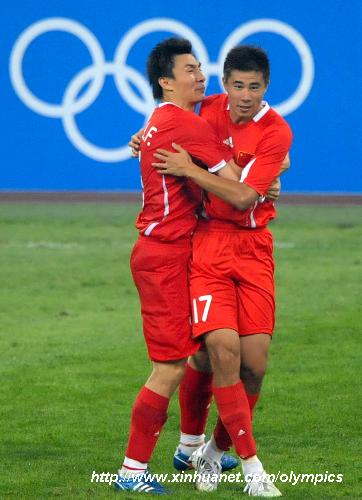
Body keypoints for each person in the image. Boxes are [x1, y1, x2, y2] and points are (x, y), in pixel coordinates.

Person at [115, 37, 264, 495]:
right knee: (170, 366)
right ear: (166, 81)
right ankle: (131, 471)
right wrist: (263, 176)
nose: (200, 76)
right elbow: (237, 184)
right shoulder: (185, 126)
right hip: (165, 256)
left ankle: (189, 445)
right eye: (190, 70)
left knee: (200, 350)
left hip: (176, 252)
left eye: (201, 69)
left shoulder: (163, 119)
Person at [152, 45, 292, 496]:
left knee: (253, 366)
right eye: (237, 85)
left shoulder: (276, 130)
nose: (245, 95)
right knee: (220, 349)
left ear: (266, 87)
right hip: (209, 244)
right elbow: (164, 125)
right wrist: (141, 140)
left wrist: (189, 172)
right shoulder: (206, 110)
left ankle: (211, 451)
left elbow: (243, 197)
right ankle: (248, 467)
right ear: (225, 84)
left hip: (254, 250)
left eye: (254, 87)